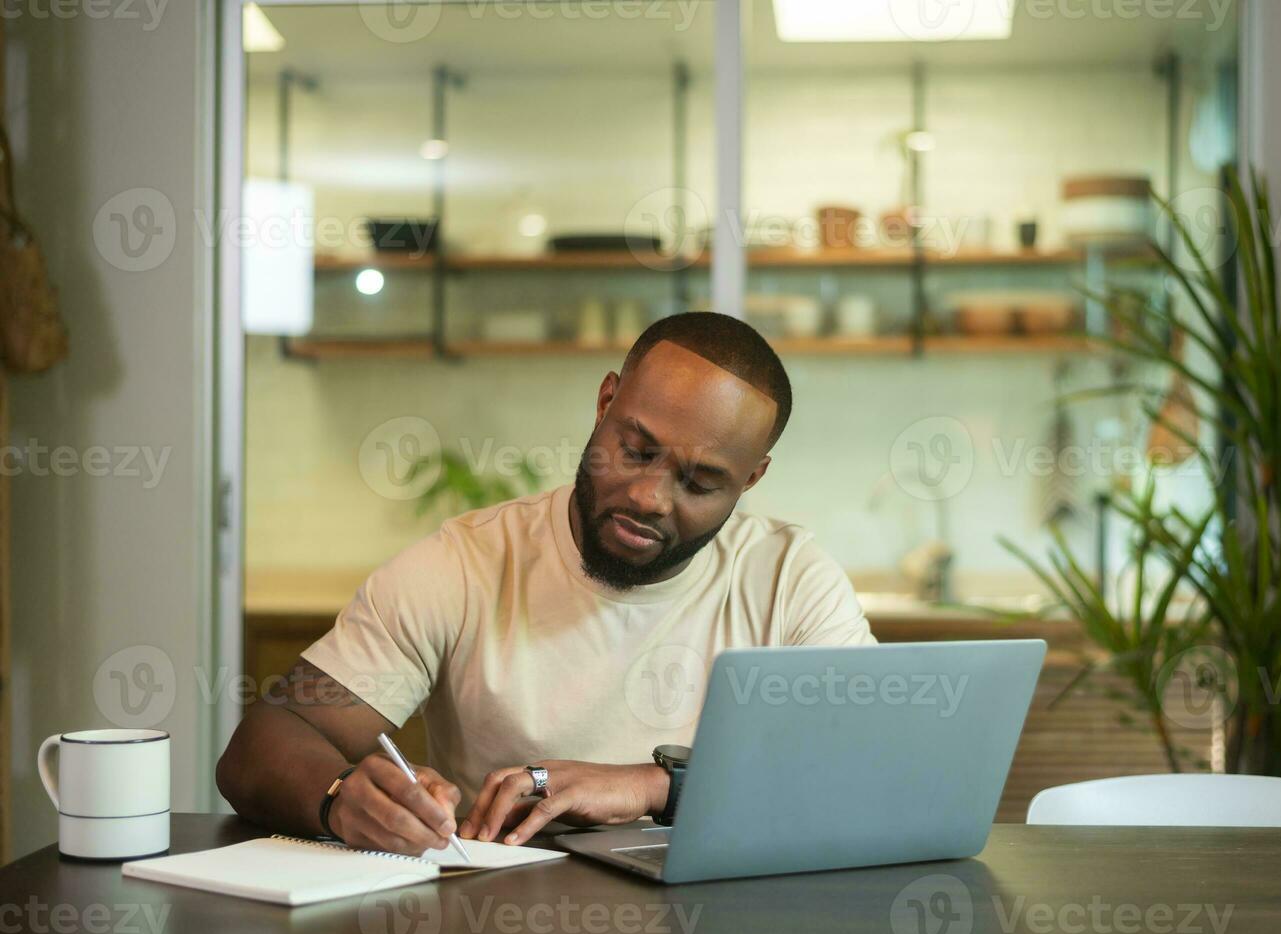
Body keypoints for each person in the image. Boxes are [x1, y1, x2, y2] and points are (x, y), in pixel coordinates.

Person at [216, 311, 875, 855]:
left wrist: (653, 787)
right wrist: (339, 799)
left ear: (751, 479)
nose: (649, 497)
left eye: (699, 482)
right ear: (606, 400)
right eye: (636, 451)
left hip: (720, 933)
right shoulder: (463, 567)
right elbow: (264, 744)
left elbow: (871, 771)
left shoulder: (789, 579)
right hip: (503, 921)